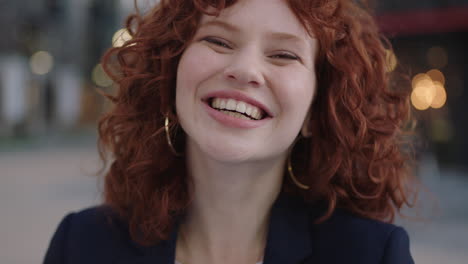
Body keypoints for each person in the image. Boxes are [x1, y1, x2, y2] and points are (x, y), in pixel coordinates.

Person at [44, 0, 416, 263]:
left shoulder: (371, 255)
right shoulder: (80, 245)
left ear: (316, 111)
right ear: (171, 74)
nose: (245, 69)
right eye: (218, 41)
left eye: (284, 55)